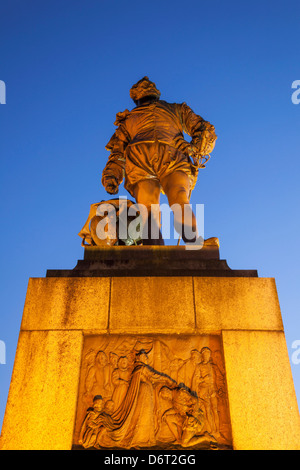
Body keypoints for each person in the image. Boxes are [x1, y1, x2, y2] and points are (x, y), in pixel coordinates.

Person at [102, 77, 216, 244]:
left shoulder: (129, 120)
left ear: (136, 99)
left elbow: (117, 152)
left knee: (150, 208)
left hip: (142, 159)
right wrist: (195, 147)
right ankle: (192, 244)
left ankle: (158, 249)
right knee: (178, 200)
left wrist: (112, 175)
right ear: (156, 95)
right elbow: (204, 129)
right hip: (170, 156)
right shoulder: (175, 110)